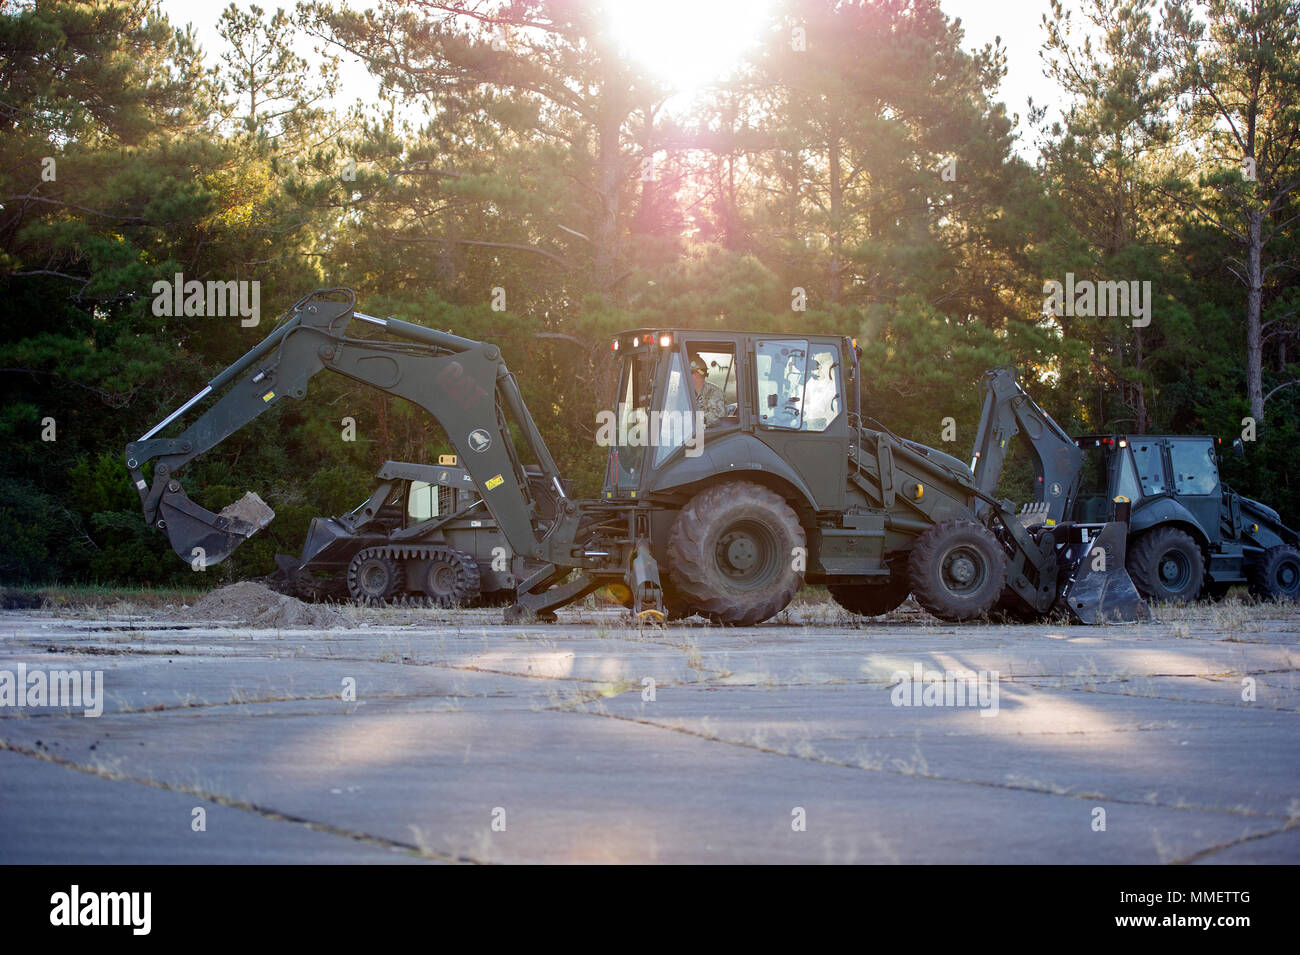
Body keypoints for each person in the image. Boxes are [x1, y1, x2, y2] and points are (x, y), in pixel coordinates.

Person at [690, 356, 726, 427]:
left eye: (688, 373)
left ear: (696, 374)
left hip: (710, 435)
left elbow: (718, 416)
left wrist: (693, 419)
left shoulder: (714, 392)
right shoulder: (687, 393)